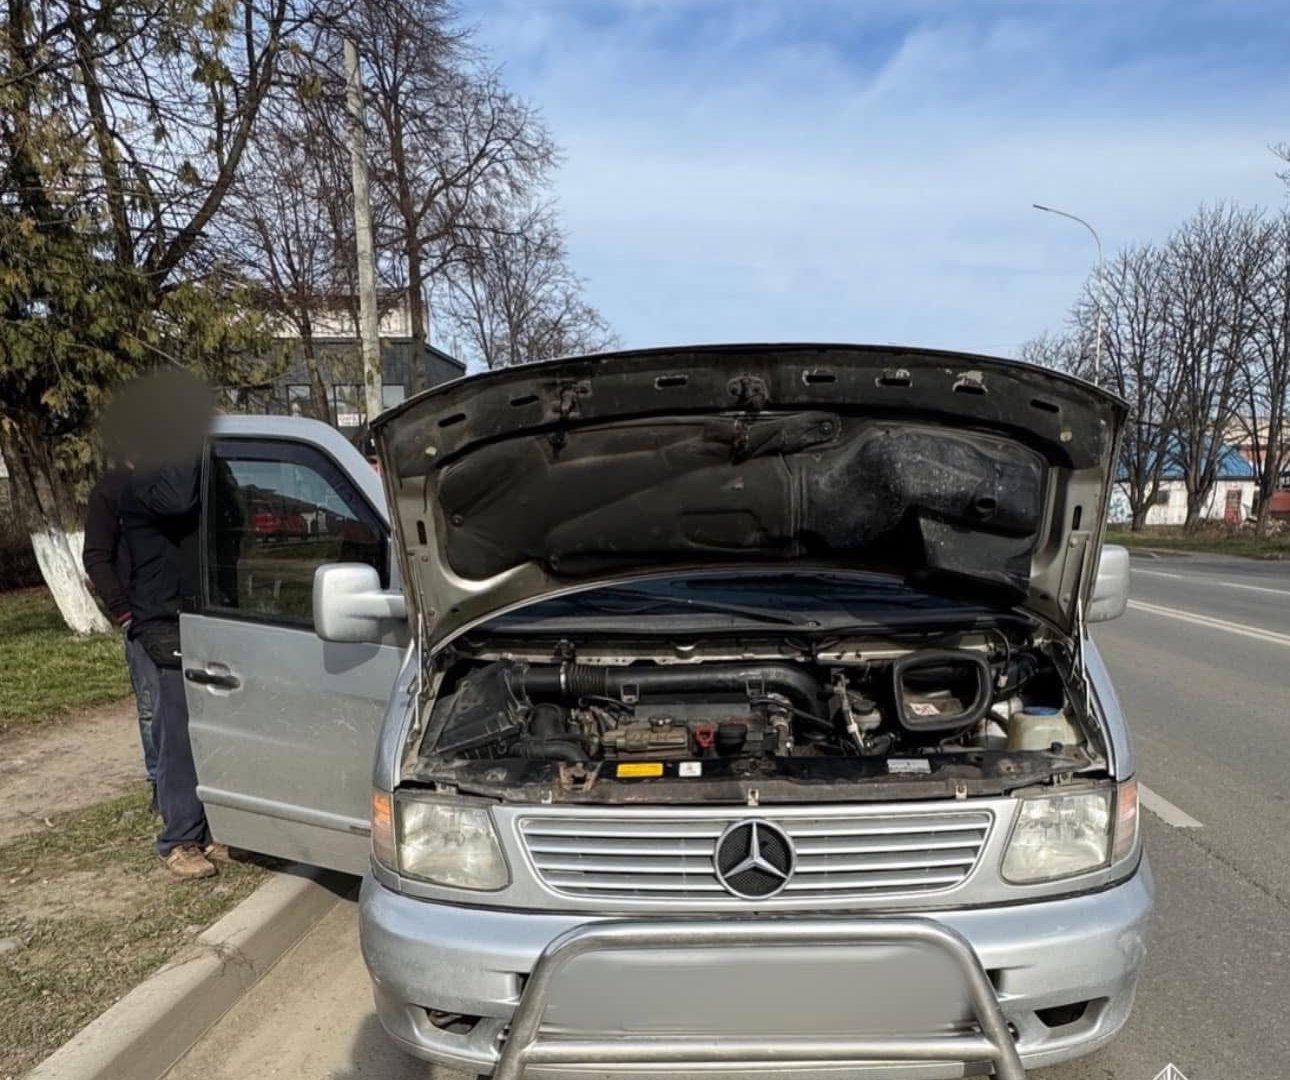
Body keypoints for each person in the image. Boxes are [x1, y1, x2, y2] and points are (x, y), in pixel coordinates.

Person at [120, 454, 230, 880]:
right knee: (179, 735)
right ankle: (179, 838)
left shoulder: (194, 468)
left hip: (203, 612)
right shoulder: (149, 474)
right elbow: (179, 500)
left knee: (212, 728)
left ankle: (210, 827)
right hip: (165, 622)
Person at [82, 460, 159, 809]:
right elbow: (96, 556)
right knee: (152, 707)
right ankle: (160, 786)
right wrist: (124, 612)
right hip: (141, 621)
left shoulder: (172, 480)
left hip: (183, 613)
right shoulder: (111, 488)